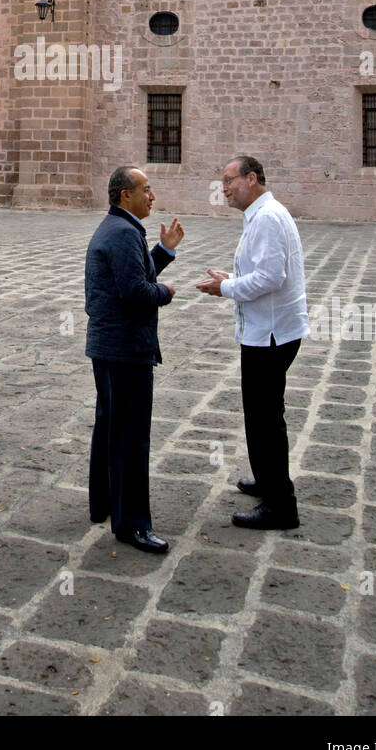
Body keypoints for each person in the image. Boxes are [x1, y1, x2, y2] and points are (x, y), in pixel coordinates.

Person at [196, 154, 309, 529]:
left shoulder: (266, 218)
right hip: (270, 329)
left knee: (264, 419)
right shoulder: (264, 215)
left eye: (230, 180)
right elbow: (264, 271)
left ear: (253, 179)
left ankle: (280, 505)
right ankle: (267, 480)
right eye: (223, 181)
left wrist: (225, 287)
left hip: (271, 334)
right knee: (262, 414)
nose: (224, 187)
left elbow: (271, 278)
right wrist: (231, 275)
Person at [85, 166, 183, 553]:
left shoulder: (117, 229)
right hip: (125, 348)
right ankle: (133, 525)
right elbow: (135, 291)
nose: (152, 196)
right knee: (131, 437)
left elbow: (129, 274)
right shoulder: (124, 233)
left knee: (110, 425)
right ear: (126, 195)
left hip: (110, 347)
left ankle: (104, 503)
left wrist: (165, 252)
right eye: (146, 189)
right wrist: (167, 291)